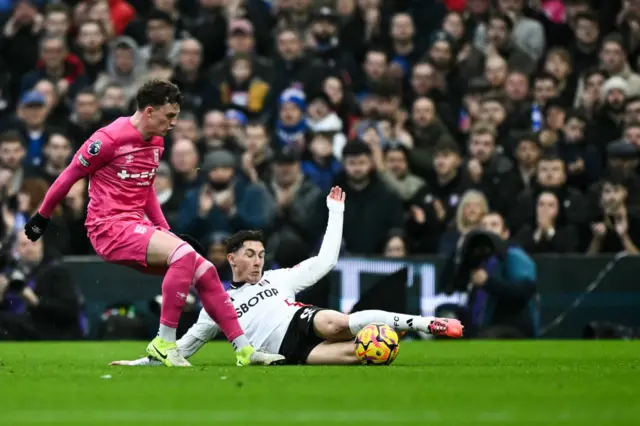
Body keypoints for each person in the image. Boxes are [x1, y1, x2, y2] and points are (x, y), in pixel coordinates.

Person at [22, 79, 284, 368]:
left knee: (206, 271)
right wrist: (42, 217)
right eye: (169, 116)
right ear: (149, 112)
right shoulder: (107, 140)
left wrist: (167, 231)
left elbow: (145, 188)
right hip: (107, 227)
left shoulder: (156, 141)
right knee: (183, 256)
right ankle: (163, 343)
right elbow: (68, 176)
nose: (173, 123)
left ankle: (245, 350)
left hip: (135, 226)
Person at [111, 187, 463, 367]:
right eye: (250, 255)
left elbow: (326, 261)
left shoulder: (279, 279)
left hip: (302, 321)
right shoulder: (214, 304)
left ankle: (427, 324)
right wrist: (139, 363)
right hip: (289, 354)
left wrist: (335, 212)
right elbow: (182, 349)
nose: (257, 261)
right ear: (231, 258)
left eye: (261, 255)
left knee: (337, 324)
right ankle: (389, 339)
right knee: (366, 354)